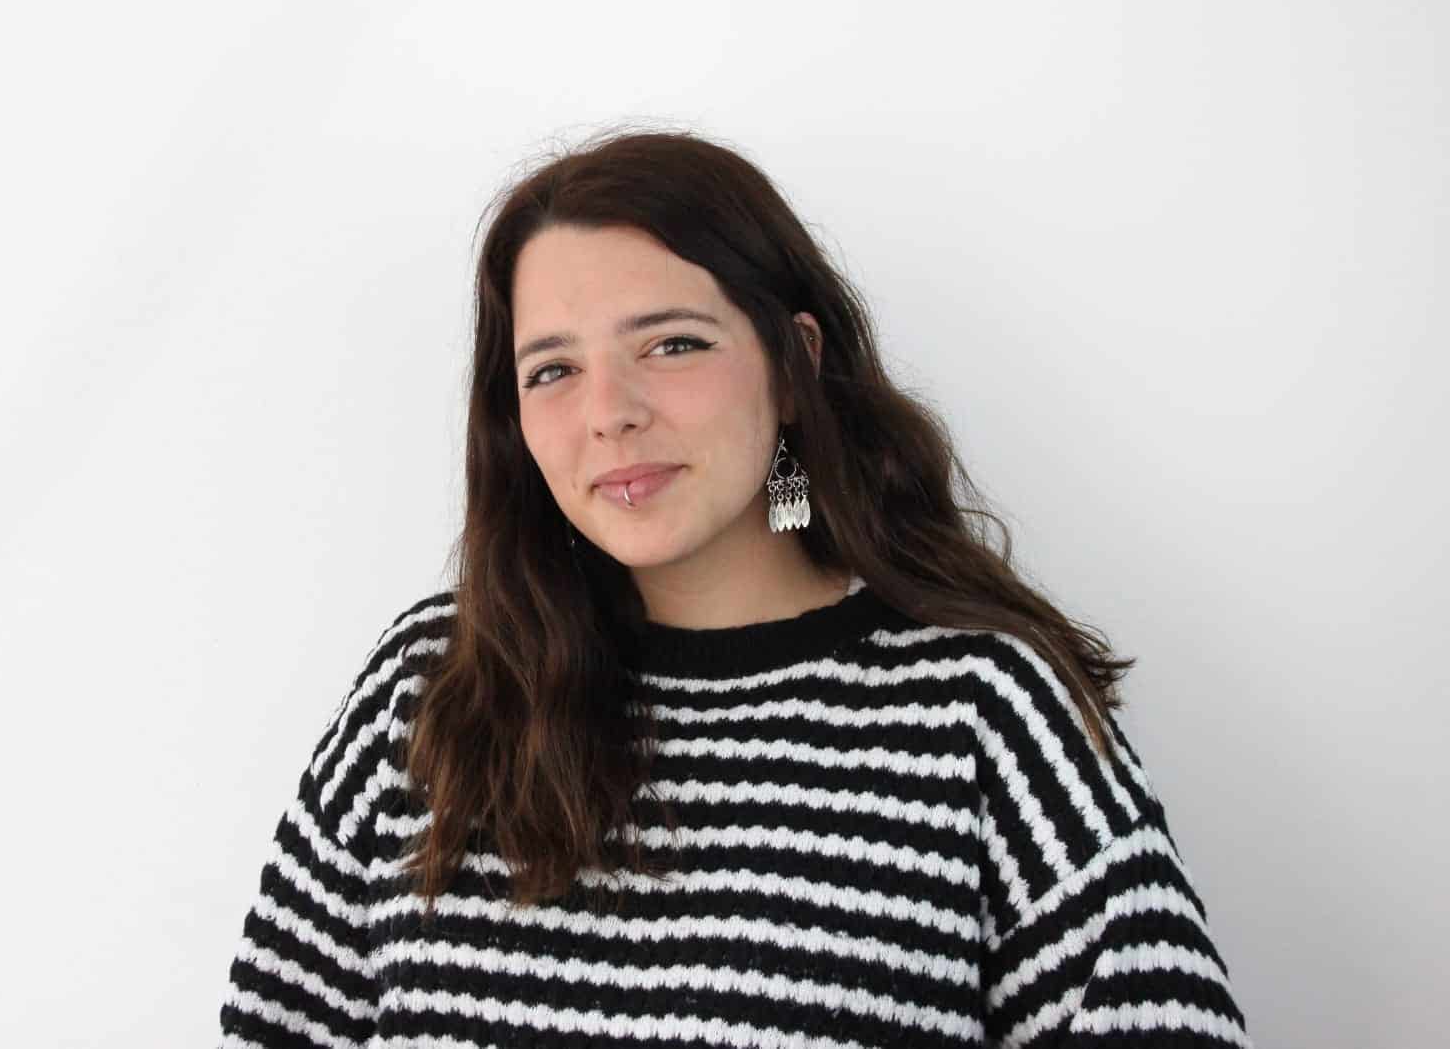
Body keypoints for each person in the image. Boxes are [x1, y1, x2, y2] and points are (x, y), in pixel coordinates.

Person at [217, 127, 1251, 1048]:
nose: (609, 412)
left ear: (793, 364)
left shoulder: (980, 710)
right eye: (553, 370)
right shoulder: (428, 685)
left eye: (672, 344)